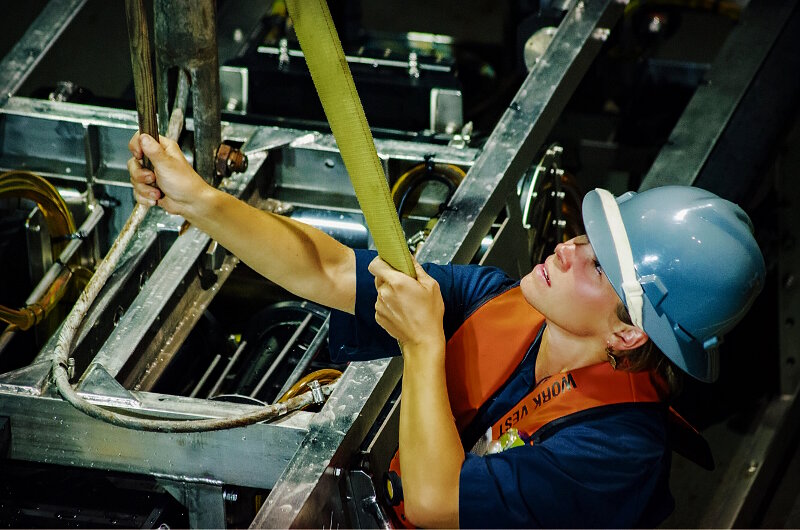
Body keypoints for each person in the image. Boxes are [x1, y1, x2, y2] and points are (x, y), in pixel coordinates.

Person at [128, 133, 765, 528]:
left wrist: (423, 344)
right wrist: (199, 201)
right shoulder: (500, 302)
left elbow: (437, 505)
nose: (568, 249)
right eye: (585, 236)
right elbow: (327, 270)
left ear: (630, 335)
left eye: (598, 265)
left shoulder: (617, 454)